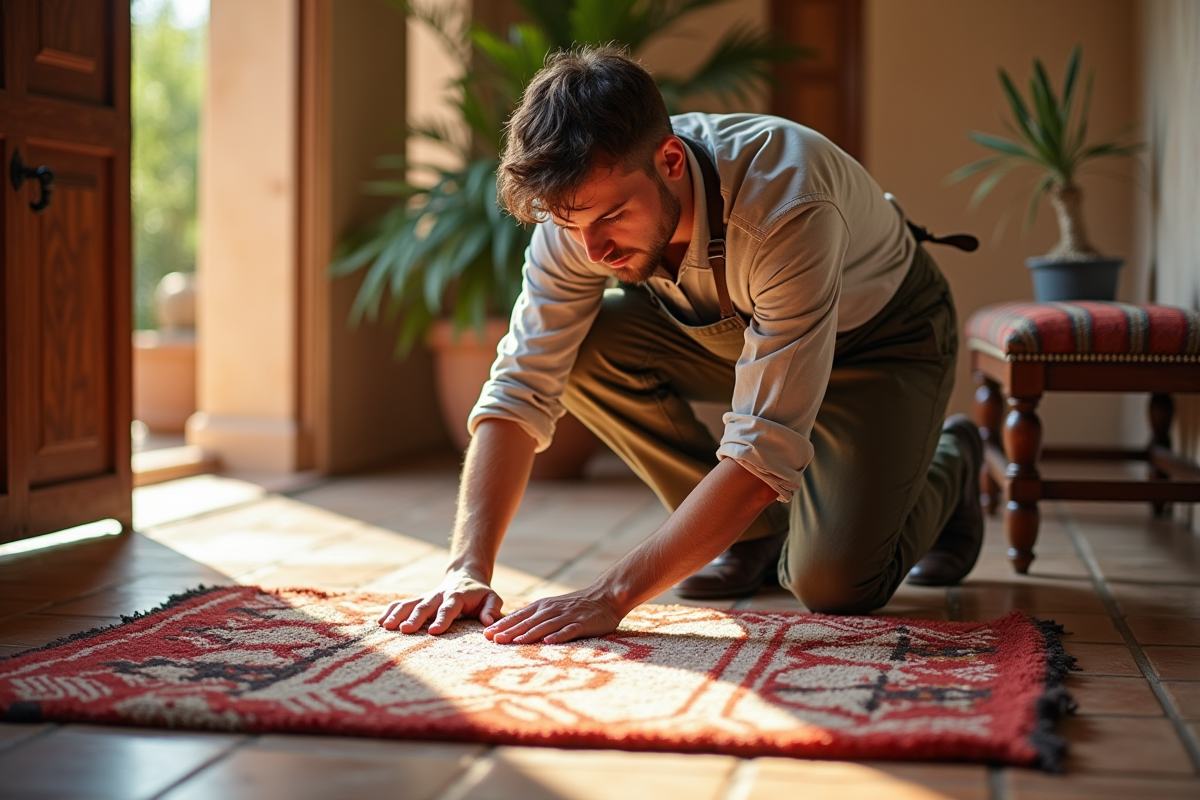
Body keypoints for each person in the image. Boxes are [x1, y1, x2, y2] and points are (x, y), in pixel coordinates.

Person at [378, 46, 984, 645]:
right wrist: (466, 568)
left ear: (670, 159)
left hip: (881, 340)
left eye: (611, 217)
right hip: (744, 335)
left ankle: (951, 462)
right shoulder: (579, 210)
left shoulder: (786, 202)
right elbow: (520, 385)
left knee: (835, 585)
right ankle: (751, 536)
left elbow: (762, 448)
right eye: (570, 226)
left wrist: (610, 595)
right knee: (582, 351)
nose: (594, 251)